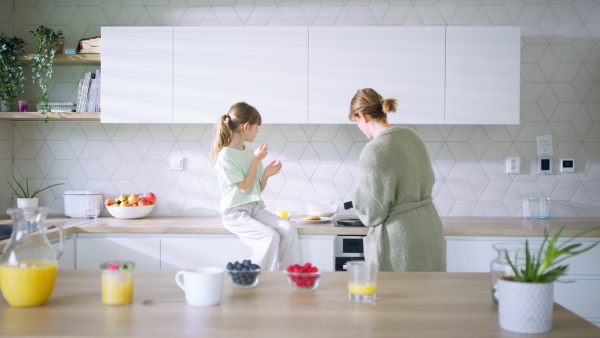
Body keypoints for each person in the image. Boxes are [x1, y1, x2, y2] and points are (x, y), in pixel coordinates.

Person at [348, 88, 446, 272]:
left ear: (362, 116)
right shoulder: (412, 137)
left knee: (397, 298)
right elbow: (429, 180)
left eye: (356, 122)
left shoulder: (375, 149)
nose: (359, 127)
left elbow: (371, 212)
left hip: (401, 241)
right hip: (430, 230)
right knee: (429, 296)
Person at [211, 102, 300, 271]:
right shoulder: (225, 156)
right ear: (246, 126)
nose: (257, 132)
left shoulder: (250, 152)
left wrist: (265, 174)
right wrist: (256, 160)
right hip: (234, 213)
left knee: (289, 229)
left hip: (253, 208)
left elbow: (254, 191)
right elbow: (244, 188)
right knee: (269, 237)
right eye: (256, 127)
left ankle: (288, 277)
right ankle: (258, 281)